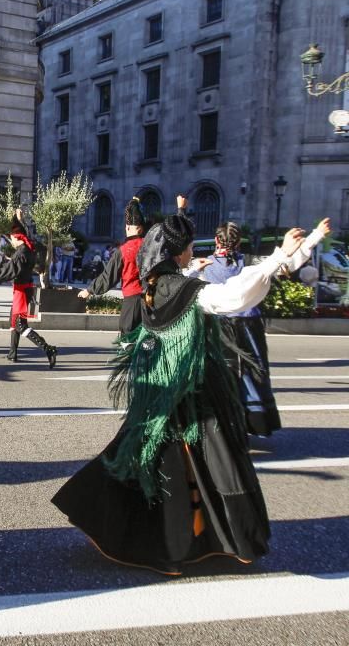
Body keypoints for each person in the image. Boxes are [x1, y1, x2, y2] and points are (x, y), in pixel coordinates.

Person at [51, 213, 328, 575]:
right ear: (176, 251)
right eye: (186, 247)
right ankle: (178, 543)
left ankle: (165, 533)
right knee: (200, 461)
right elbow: (232, 297)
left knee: (157, 457)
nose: (190, 252)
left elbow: (215, 287)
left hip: (165, 386)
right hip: (188, 387)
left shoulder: (159, 283)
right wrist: (278, 257)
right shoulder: (180, 288)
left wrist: (295, 251)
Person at [189, 221, 328, 436]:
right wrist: (314, 236)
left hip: (217, 326)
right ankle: (252, 421)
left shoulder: (201, 265)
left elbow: (186, 287)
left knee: (219, 374)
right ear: (238, 240)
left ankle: (221, 425)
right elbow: (286, 264)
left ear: (217, 240)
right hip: (248, 326)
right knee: (251, 372)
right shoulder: (251, 263)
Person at [78, 196, 149, 336]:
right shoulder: (151, 246)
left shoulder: (124, 250)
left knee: (127, 342)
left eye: (128, 226)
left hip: (133, 301)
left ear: (131, 227)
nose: (126, 228)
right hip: (152, 301)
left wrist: (90, 290)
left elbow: (108, 277)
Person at [0, 215, 58, 367]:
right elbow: (42, 250)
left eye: (12, 238)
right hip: (23, 289)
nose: (12, 241)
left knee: (20, 325)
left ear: (18, 238)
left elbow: (8, 272)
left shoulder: (21, 252)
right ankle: (13, 353)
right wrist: (41, 268)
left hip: (22, 292)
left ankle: (48, 349)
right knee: (13, 321)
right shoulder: (28, 249)